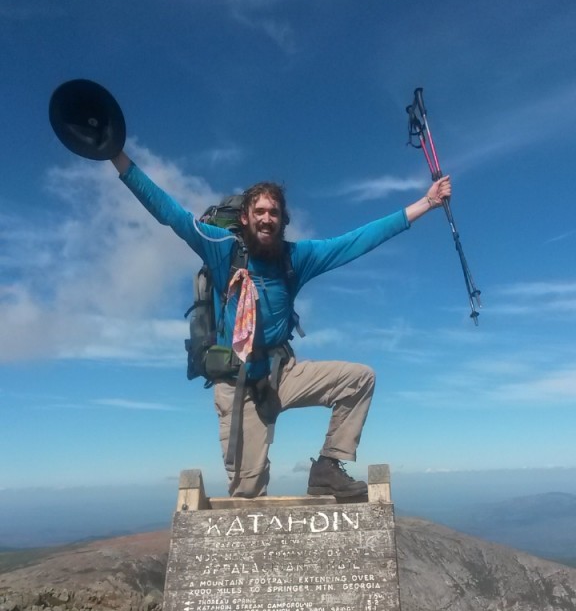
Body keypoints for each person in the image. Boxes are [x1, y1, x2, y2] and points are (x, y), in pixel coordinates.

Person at [110, 150, 451, 500]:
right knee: (247, 495)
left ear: (283, 219)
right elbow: (170, 214)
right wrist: (117, 157)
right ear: (245, 218)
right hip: (236, 385)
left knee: (359, 379)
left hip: (279, 374)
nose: (267, 219)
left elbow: (357, 241)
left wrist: (426, 203)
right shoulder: (222, 250)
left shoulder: (296, 259)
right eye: (259, 212)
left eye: (273, 212)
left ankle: (327, 469)